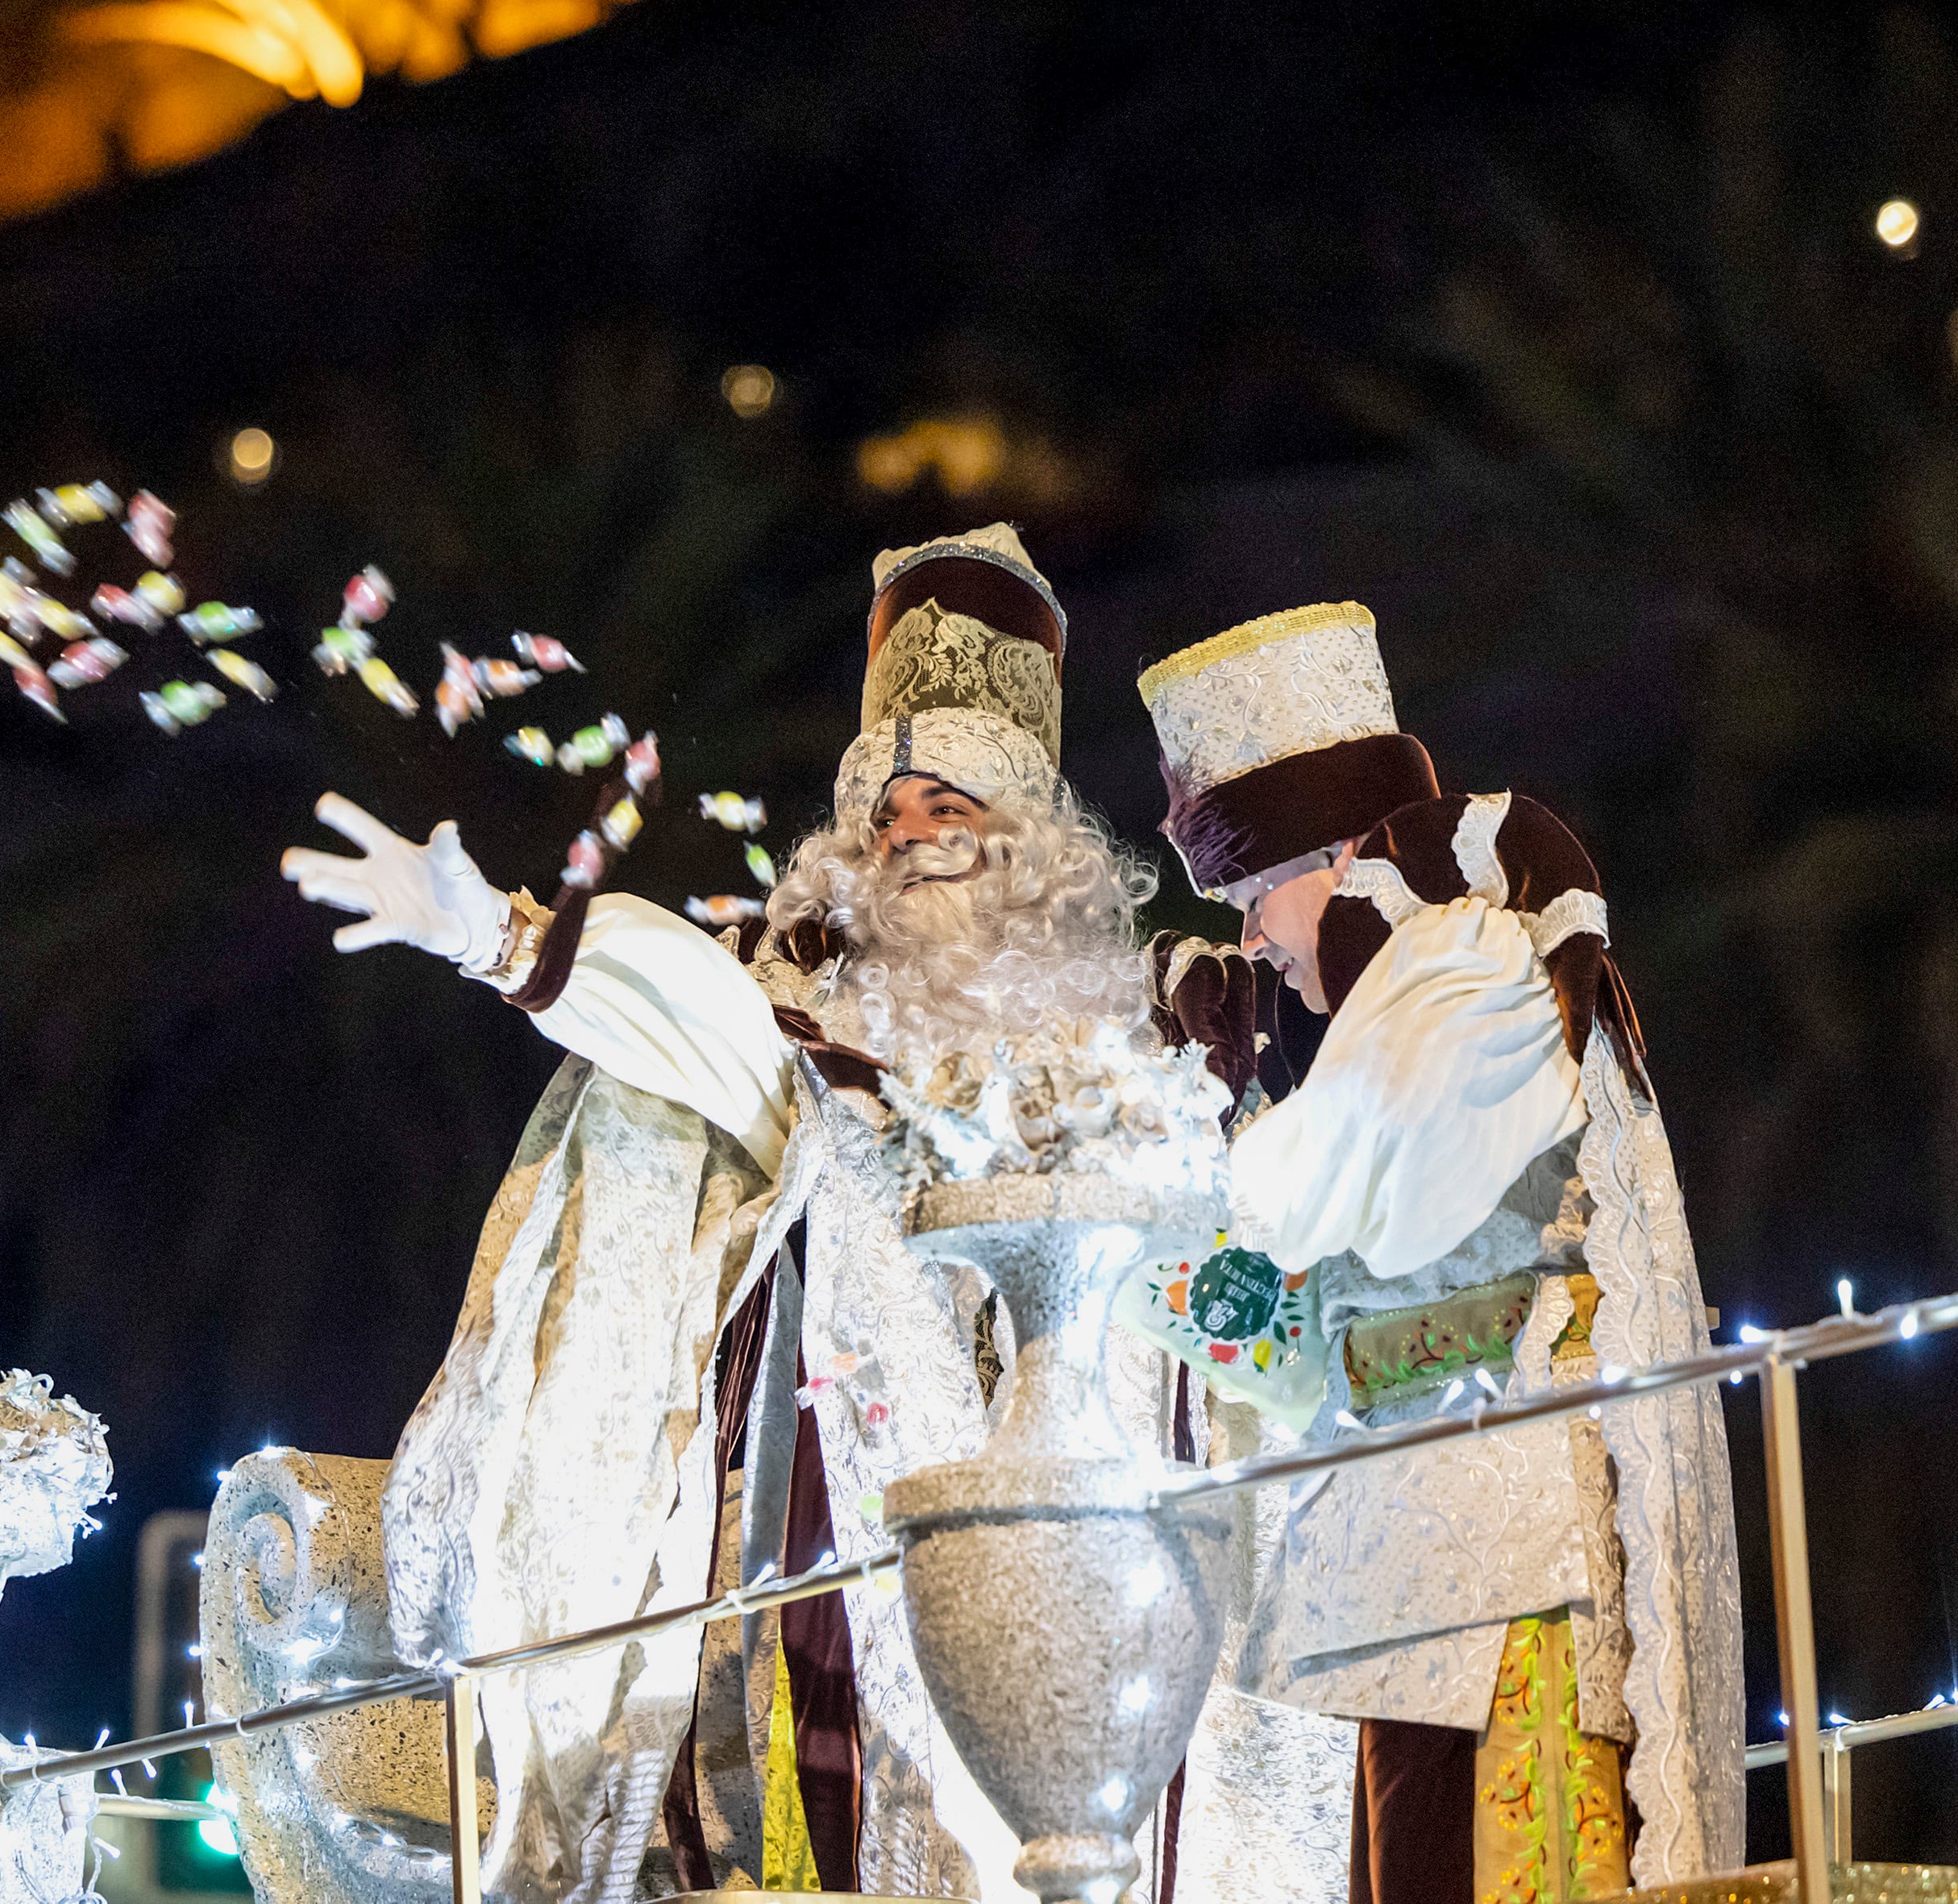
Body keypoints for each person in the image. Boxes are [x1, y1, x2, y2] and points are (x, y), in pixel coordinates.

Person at [284, 525, 1160, 1904]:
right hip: (799, 1510)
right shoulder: (800, 1011)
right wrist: (503, 938)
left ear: (1031, 848)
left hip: (1051, 1551)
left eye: (954, 813)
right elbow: (699, 1018)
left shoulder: (1127, 1052)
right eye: (893, 814)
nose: (916, 842)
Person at [1137, 602, 1744, 1902]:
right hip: (1432, 1601)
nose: (1249, 941)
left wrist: (1175, 1153)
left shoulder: (1468, 956)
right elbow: (1319, 1317)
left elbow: (1309, 1232)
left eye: (1252, 893)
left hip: (1505, 1596)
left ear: (1343, 851)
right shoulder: (1432, 977)